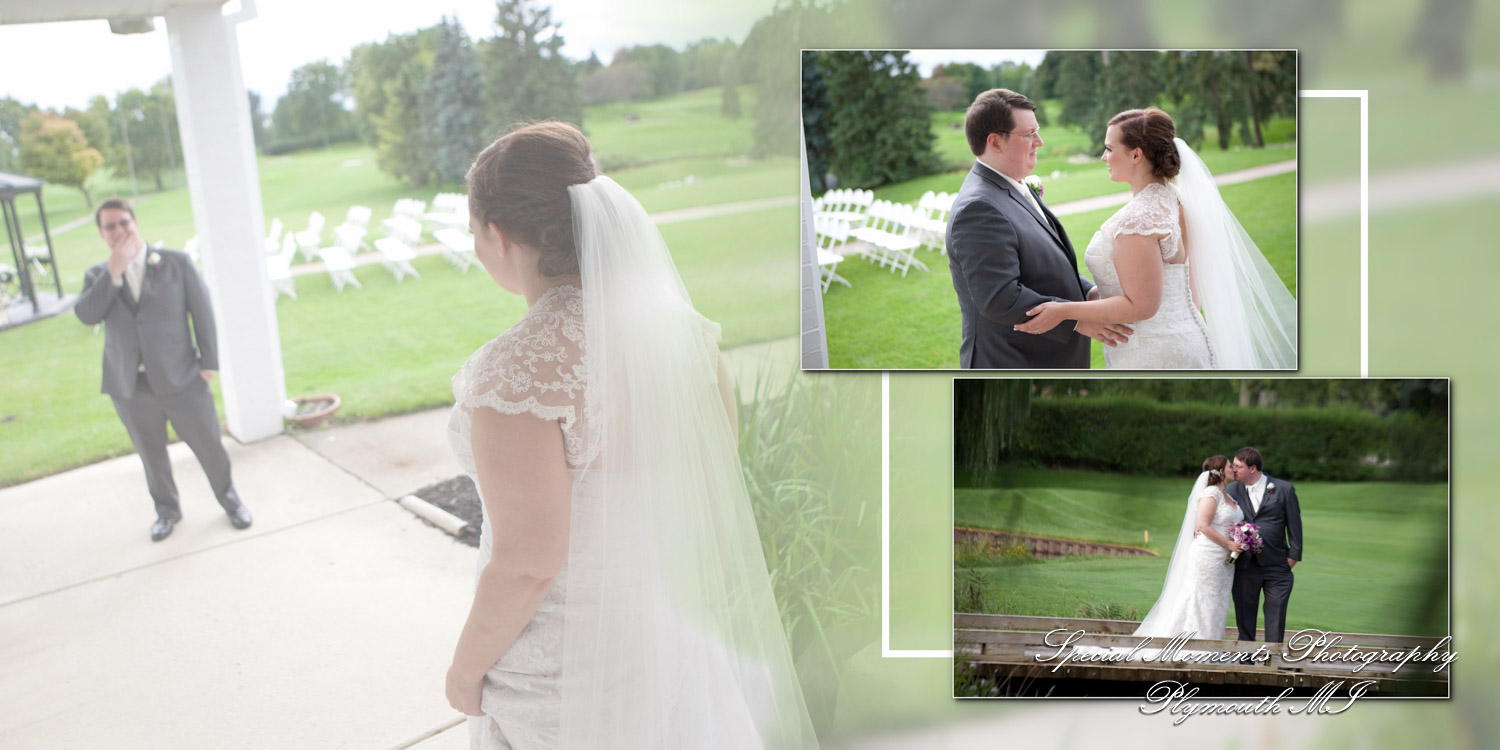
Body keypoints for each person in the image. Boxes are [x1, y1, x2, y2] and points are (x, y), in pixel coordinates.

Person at [443, 122, 816, 749]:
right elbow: (713, 477)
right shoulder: (690, 337)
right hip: (668, 640)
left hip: (567, 671)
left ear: (497, 235)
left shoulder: (519, 372)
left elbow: (528, 564)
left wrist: (464, 670)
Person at [1014, 107, 1297, 370]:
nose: (1103, 157)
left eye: (1109, 149)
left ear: (1136, 155)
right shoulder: (1175, 200)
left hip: (1149, 353)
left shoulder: (1137, 221)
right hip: (1187, 338)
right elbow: (1188, 289)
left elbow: (1142, 306)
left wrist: (1064, 311)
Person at [74, 198, 252, 542]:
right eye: (109, 226)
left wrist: (208, 366)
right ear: (101, 233)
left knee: (209, 445)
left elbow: (203, 315)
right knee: (151, 454)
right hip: (131, 386)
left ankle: (230, 501)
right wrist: (114, 270)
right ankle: (167, 512)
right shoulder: (98, 275)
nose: (118, 230)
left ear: (135, 223)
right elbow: (87, 316)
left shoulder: (176, 263)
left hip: (183, 379)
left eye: (123, 222)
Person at [945, 88, 1132, 369]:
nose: (1040, 142)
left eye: (1038, 131)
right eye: (1029, 134)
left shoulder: (1012, 183)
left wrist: (1088, 293)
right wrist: (1077, 318)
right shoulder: (978, 208)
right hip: (1015, 364)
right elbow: (1000, 297)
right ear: (995, 142)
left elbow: (1042, 265)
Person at [1132, 456, 1244, 642]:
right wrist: (1229, 544)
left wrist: (1243, 537)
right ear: (1221, 472)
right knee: (1201, 600)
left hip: (1224, 561)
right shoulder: (1211, 494)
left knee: (1218, 602)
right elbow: (1203, 525)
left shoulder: (1228, 496)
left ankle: (1211, 643)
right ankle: (1193, 643)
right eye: (1229, 466)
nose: (1233, 468)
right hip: (1207, 556)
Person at [1228, 446, 1303, 646]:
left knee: (1276, 614)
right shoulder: (1230, 489)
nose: (1233, 470)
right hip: (1244, 565)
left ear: (1252, 468)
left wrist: (1293, 557)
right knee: (1245, 615)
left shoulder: (1283, 489)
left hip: (1277, 565)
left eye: (1238, 466)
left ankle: (1274, 659)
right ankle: (1246, 659)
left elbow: (1294, 524)